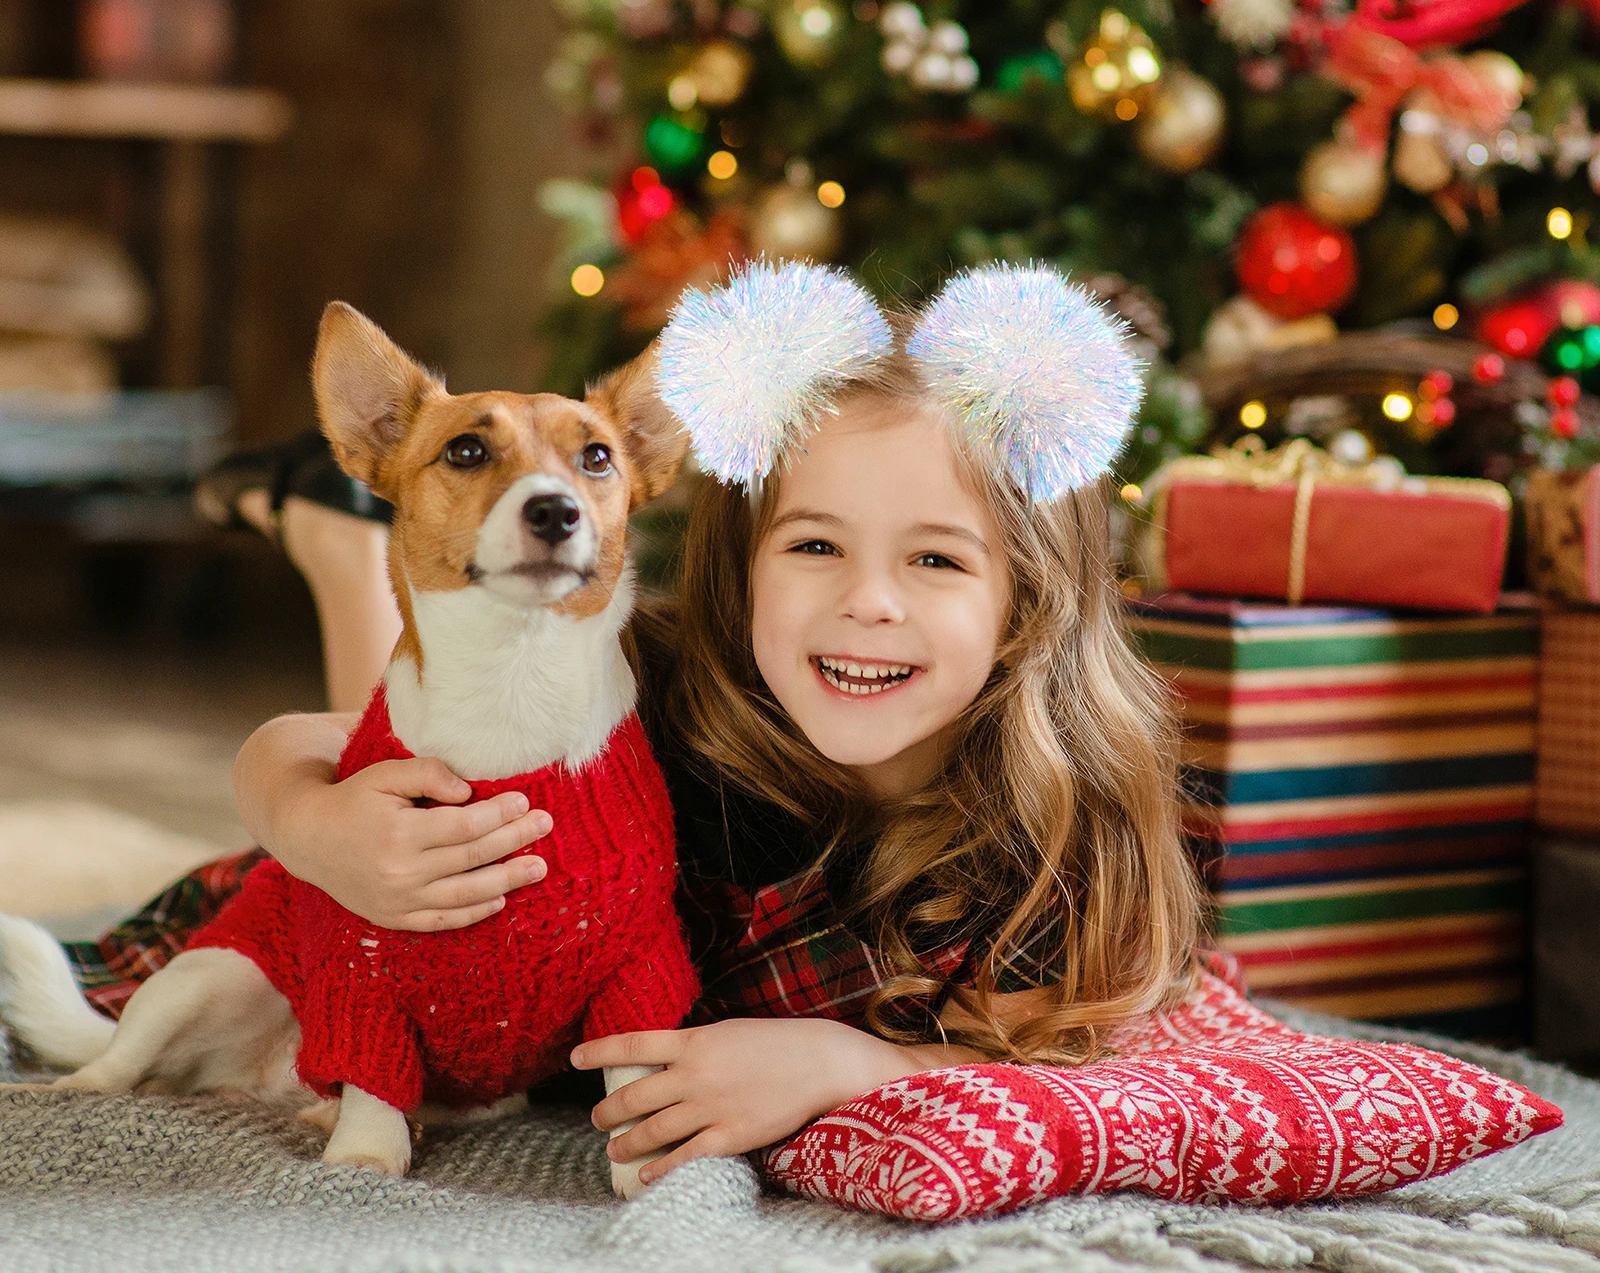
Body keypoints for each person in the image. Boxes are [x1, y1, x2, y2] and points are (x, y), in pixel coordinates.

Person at [59, 263, 1201, 1188]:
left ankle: (335, 534)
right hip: (387, 923)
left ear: (1027, 607)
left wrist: (846, 1064)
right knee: (437, 730)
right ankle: (344, 543)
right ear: (741, 563)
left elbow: (1093, 1080)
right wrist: (311, 826)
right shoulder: (674, 678)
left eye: (937, 559)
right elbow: (304, 744)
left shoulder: (1062, 843)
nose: (869, 600)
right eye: (814, 544)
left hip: (544, 1007)